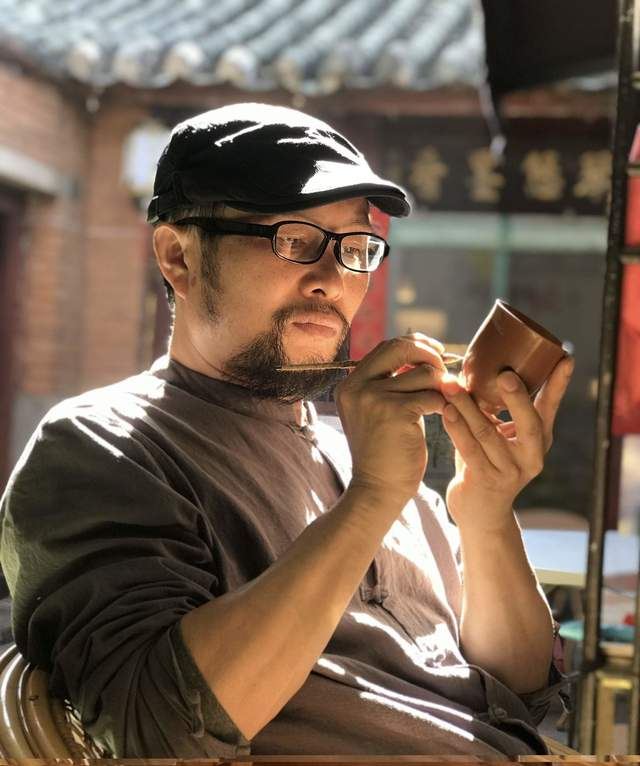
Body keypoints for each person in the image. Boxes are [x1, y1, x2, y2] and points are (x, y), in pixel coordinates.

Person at [0, 103, 574, 759]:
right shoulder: (105, 448)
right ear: (178, 257)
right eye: (294, 240)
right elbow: (155, 727)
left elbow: (520, 692)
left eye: (355, 248)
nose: (333, 280)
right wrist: (370, 501)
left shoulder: (358, 449)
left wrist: (486, 511)